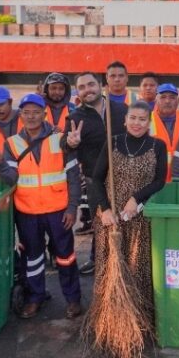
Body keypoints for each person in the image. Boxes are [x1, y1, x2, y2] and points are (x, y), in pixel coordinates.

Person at [0, 93, 82, 319]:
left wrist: (72, 208)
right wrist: (0, 164)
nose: (31, 117)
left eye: (36, 112)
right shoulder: (12, 143)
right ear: (20, 115)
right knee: (32, 258)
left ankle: (73, 299)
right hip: (27, 212)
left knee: (66, 256)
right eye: (26, 112)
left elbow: (73, 177)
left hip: (58, 211)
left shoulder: (60, 139)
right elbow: (11, 179)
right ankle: (35, 297)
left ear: (44, 114)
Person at [89, 100, 168, 320]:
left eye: (142, 119)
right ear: (125, 120)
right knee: (109, 266)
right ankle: (109, 318)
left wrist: (136, 198)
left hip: (139, 218)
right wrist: (105, 209)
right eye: (132, 118)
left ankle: (138, 317)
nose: (137, 123)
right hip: (111, 218)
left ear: (149, 122)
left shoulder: (158, 146)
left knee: (136, 267)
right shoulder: (113, 142)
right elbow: (96, 179)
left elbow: (159, 181)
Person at [64, 72, 128, 273]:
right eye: (82, 87)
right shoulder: (75, 118)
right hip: (95, 182)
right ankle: (101, 265)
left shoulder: (121, 110)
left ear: (100, 85)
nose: (87, 90)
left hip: (124, 178)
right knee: (101, 225)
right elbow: (65, 145)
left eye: (91, 84)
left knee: (126, 222)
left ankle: (125, 263)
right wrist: (71, 142)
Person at [149, 83, 179, 181]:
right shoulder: (146, 121)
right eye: (163, 97)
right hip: (155, 182)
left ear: (178, 101)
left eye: (172, 97)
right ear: (156, 100)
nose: (167, 101)